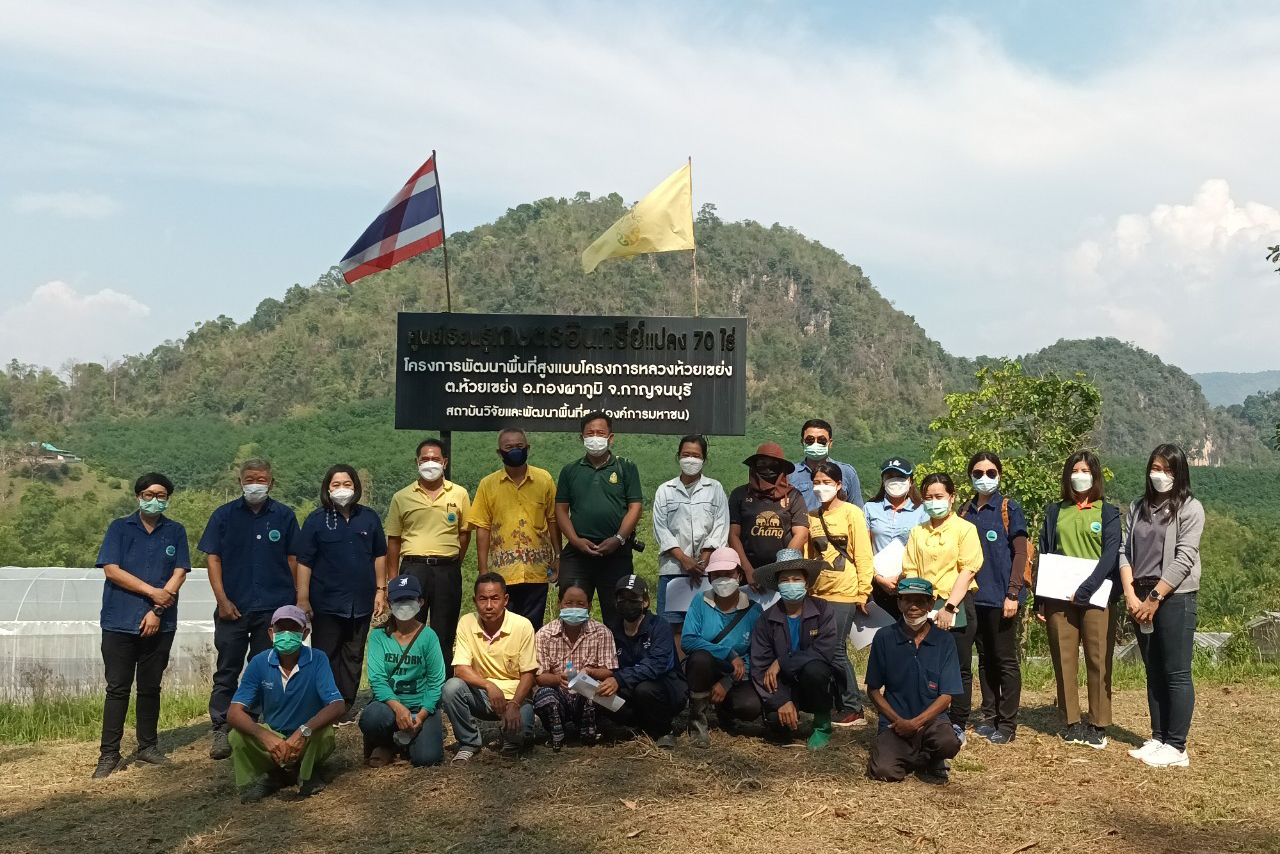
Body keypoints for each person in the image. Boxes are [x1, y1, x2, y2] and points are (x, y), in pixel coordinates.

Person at [91, 472, 191, 778]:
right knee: (118, 688)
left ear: (167, 499)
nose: (154, 499)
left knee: (150, 687)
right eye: (148, 494)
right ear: (138, 496)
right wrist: (152, 593)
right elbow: (111, 570)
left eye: (161, 495)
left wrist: (158, 610)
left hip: (161, 622)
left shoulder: (175, 531)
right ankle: (109, 754)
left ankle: (148, 746)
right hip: (119, 621)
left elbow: (180, 572)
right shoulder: (120, 527)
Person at [200, 459, 300, 761]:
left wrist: (293, 603)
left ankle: (259, 723)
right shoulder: (224, 515)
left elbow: (294, 559)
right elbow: (213, 559)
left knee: (267, 669)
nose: (255, 484)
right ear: (239, 481)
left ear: (272, 482)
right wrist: (222, 599)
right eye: (249, 478)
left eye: (261, 479)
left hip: (273, 608)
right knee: (227, 668)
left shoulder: (283, 515)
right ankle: (221, 726)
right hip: (234, 607)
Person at [1119, 444, 1204, 769]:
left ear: (1179, 472)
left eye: (1167, 470)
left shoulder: (1190, 508)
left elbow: (1185, 557)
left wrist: (1154, 598)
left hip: (1174, 597)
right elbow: (1124, 551)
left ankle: (1177, 745)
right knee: (1153, 670)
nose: (1160, 475)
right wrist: (1131, 594)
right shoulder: (1138, 506)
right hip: (1139, 594)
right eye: (1155, 467)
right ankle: (1158, 737)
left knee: (1176, 672)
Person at [1037, 451, 1121, 750]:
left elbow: (1111, 555)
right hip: (1059, 596)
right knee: (1065, 657)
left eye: (1085, 469)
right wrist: (1040, 599)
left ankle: (1098, 723)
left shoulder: (1107, 512)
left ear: (1095, 475)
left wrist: (1088, 587)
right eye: (1075, 469)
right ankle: (1071, 721)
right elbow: (1045, 552)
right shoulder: (1055, 511)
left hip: (1097, 595)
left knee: (1099, 659)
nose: (1080, 474)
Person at [295, 464, 388, 721]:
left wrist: (381, 590)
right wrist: (302, 598)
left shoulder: (368, 518)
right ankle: (327, 705)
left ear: (356, 487)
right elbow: (304, 562)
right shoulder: (316, 520)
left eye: (347, 484)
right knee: (326, 654)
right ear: (327, 489)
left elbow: (379, 555)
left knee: (354, 654)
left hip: (361, 601)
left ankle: (345, 705)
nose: (342, 489)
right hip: (326, 601)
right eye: (336, 485)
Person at [226, 606, 345, 803]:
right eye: (281, 630)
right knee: (237, 736)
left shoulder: (318, 659)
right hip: (275, 737)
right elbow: (234, 712)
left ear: (305, 633)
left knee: (324, 731)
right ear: (271, 633)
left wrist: (303, 732)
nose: (287, 635)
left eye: (294, 629)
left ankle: (307, 773)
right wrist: (264, 736)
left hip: (307, 737)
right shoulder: (259, 662)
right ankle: (273, 773)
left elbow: (337, 705)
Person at [900, 472, 982, 744]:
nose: (934, 502)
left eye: (939, 496)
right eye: (929, 497)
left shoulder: (965, 529)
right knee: (923, 664)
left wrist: (948, 606)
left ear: (952, 498)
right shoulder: (917, 532)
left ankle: (957, 723)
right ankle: (927, 717)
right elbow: (910, 570)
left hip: (955, 604)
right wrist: (919, 606)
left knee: (957, 668)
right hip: (923, 604)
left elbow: (967, 570)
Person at [956, 452, 1028, 744]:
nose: (984, 478)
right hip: (974, 598)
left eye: (990, 472)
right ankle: (989, 715)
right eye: (977, 472)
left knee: (1005, 660)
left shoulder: (1009, 509)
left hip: (1002, 598)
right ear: (970, 476)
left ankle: (1008, 723)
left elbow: (1020, 552)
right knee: (984, 659)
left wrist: (1013, 593)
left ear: (999, 475)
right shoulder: (964, 511)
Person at [385, 437, 472, 676]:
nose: (430, 463)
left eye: (435, 459)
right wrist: (393, 580)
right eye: (425, 459)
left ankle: (441, 685)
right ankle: (409, 682)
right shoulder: (401, 497)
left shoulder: (460, 494)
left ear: (445, 462)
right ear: (417, 462)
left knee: (445, 631)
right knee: (409, 627)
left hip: (447, 570)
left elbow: (464, 535)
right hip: (413, 569)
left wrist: (453, 562)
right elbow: (393, 540)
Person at [865, 577, 964, 783]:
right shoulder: (884, 637)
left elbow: (947, 696)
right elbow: (873, 690)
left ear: (930, 604)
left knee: (948, 743)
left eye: (920, 601)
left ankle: (931, 756)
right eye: (907, 600)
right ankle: (915, 758)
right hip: (894, 724)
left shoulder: (944, 640)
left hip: (932, 723)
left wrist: (917, 723)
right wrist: (899, 721)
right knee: (883, 772)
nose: (913, 607)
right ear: (899, 602)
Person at [555, 412, 643, 625]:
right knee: (571, 611)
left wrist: (619, 538)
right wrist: (575, 540)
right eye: (590, 433)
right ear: (581, 438)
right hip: (578, 553)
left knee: (618, 612)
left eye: (600, 433)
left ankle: (615, 657)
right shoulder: (570, 471)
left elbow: (635, 507)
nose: (595, 437)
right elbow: (560, 510)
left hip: (616, 552)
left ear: (611, 437)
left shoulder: (626, 467)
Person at [750, 548, 841, 750]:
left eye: (796, 579)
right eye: (785, 580)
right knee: (777, 726)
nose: (791, 584)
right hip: (783, 685)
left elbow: (824, 651)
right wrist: (781, 700)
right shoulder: (766, 619)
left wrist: (781, 661)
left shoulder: (823, 609)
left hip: (812, 681)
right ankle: (787, 710)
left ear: (806, 583)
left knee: (815, 669)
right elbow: (759, 666)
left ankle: (822, 725)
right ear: (777, 586)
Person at [806, 460, 874, 727]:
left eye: (826, 482)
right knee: (821, 649)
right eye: (816, 482)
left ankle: (853, 706)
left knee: (835, 649)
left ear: (838, 485)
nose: (821, 487)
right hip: (818, 592)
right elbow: (808, 556)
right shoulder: (811, 517)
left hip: (844, 592)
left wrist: (863, 592)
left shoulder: (852, 513)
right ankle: (836, 701)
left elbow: (863, 554)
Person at [440, 573, 537, 763]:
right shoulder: (467, 622)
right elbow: (460, 669)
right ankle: (469, 742)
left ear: (505, 600)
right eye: (483, 599)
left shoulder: (522, 626)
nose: (489, 606)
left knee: (520, 736)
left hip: (514, 697)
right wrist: (489, 686)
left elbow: (529, 674)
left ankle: (511, 735)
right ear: (474, 601)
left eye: (495, 598)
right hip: (483, 695)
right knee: (451, 687)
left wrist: (515, 704)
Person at [471, 427, 560, 630]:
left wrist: (558, 557)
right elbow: (482, 528)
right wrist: (483, 570)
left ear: (527, 448)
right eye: (508, 447)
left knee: (532, 628)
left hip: (536, 571)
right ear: (499, 452)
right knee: (503, 627)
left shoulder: (544, 479)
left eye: (519, 447)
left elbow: (554, 520)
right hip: (503, 573)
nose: (514, 451)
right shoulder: (488, 484)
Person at [359, 575, 446, 768]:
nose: (404, 605)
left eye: (410, 600)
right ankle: (386, 742)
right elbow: (377, 679)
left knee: (427, 759)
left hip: (421, 707)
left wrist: (422, 715)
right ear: (390, 603)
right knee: (372, 718)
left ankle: (406, 741)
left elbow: (436, 682)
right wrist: (398, 708)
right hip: (389, 707)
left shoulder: (429, 637)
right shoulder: (378, 636)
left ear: (421, 602)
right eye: (398, 600)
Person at [681, 547, 763, 747]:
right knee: (700, 658)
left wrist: (729, 681)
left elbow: (758, 656)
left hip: (735, 675)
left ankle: (724, 711)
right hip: (705, 668)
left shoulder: (754, 611)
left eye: (729, 574)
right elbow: (688, 640)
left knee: (750, 707)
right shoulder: (700, 602)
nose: (723, 580)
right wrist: (728, 653)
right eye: (717, 575)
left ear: (739, 575)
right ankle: (697, 722)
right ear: (709, 578)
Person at [651, 434, 730, 643]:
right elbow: (661, 529)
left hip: (706, 572)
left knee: (706, 627)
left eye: (696, 455)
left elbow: (721, 526)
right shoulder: (665, 491)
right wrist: (684, 560)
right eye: (686, 454)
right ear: (678, 456)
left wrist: (702, 561)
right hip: (673, 571)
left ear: (704, 459)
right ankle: (673, 672)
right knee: (670, 628)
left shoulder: (715, 489)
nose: (691, 460)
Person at [597, 575, 688, 748]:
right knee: (598, 695)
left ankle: (664, 730)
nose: (626, 603)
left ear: (645, 602)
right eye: (621, 599)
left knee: (644, 689)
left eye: (632, 599)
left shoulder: (660, 626)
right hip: (629, 690)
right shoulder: (611, 629)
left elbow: (657, 664)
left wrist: (619, 679)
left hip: (666, 688)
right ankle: (640, 724)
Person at [533, 586, 618, 751]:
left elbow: (609, 669)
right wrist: (558, 679)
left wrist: (589, 672)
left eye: (580, 604)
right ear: (559, 604)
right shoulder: (544, 634)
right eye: (568, 603)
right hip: (557, 691)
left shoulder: (602, 632)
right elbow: (540, 676)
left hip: (585, 690)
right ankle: (557, 732)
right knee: (545, 697)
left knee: (595, 691)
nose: (574, 608)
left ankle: (588, 731)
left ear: (589, 607)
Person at [728, 442, 809, 588]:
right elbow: (733, 535)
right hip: (747, 573)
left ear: (782, 469)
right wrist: (748, 570)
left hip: (783, 574)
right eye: (762, 464)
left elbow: (801, 534)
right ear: (754, 466)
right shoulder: (739, 494)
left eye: (774, 465)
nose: (767, 469)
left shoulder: (793, 496)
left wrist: (779, 571)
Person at [865, 458, 928, 618]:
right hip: (877, 584)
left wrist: (903, 576)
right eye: (889, 476)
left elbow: (925, 547)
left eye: (900, 477)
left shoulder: (922, 510)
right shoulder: (870, 508)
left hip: (911, 583)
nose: (895, 481)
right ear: (883, 480)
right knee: (881, 637)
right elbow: (863, 547)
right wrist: (878, 577)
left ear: (910, 480)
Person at [788, 419, 865, 510]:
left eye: (821, 440)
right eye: (810, 440)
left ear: (830, 443)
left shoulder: (847, 472)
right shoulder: (790, 474)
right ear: (802, 442)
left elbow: (857, 509)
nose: (815, 444)